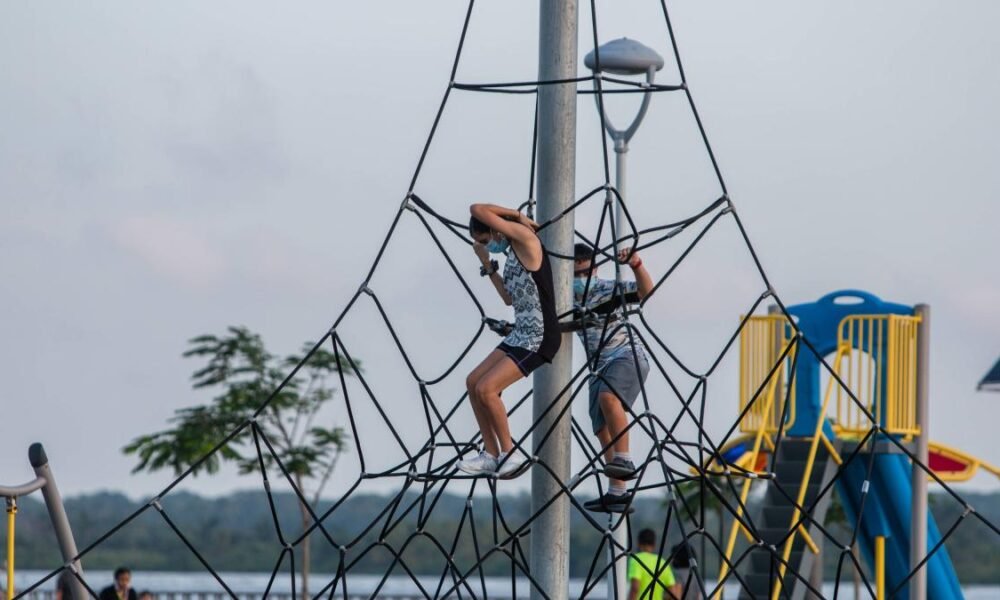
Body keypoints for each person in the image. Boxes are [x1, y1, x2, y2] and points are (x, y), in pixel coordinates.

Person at [457, 203, 560, 478]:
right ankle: (491, 453)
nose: (486, 245)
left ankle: (509, 453)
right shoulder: (513, 256)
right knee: (473, 382)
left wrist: (516, 216)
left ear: (494, 229)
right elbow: (507, 298)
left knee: (488, 389)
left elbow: (476, 208)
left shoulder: (526, 240)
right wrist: (486, 263)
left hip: (540, 335)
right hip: (521, 333)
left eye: (484, 240)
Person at [572, 243, 654, 513]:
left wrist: (636, 263)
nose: (580, 280)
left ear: (595, 269)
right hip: (597, 367)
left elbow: (646, 292)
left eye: (585, 273)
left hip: (625, 356)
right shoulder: (566, 297)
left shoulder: (606, 288)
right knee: (600, 427)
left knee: (609, 397)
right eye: (575, 275)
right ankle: (618, 491)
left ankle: (625, 459)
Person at [628, 528, 683, 600]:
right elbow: (672, 591)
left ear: (638, 543)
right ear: (654, 545)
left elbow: (635, 588)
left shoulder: (636, 559)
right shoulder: (662, 562)